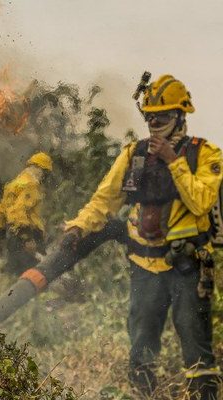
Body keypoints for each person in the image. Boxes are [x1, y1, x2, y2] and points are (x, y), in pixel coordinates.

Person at [64, 74, 222, 399]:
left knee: (196, 349)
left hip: (187, 268)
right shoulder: (133, 155)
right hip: (143, 267)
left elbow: (201, 201)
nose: (153, 122)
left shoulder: (205, 155)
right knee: (141, 348)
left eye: (161, 116)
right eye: (149, 116)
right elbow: (104, 200)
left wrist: (173, 160)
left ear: (180, 116)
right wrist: (79, 226)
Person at [0, 152, 53, 275]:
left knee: (15, 277)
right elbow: (18, 211)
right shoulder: (31, 184)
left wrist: (0, 236)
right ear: (37, 168)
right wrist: (27, 238)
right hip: (28, 238)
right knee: (38, 278)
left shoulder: (13, 184)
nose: (43, 176)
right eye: (44, 172)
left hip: (13, 237)